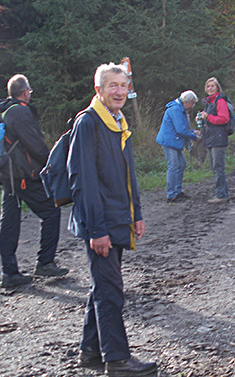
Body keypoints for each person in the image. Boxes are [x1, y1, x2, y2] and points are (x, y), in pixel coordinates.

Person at [67, 63, 158, 376]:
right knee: (110, 291)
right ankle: (117, 360)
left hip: (118, 219)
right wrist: (96, 230)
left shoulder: (118, 121)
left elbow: (127, 174)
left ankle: (90, 351)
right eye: (112, 86)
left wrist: (137, 213)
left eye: (123, 85)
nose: (119, 91)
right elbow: (83, 181)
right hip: (100, 225)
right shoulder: (89, 123)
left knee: (102, 288)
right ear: (99, 91)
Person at [0, 74, 68, 289]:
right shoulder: (20, 111)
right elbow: (34, 145)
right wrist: (51, 164)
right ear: (25, 92)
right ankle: (45, 262)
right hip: (22, 175)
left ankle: (9, 272)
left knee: (9, 222)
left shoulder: (1, 110)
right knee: (51, 211)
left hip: (6, 174)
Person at [156, 90, 200, 203]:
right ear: (187, 102)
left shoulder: (180, 109)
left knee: (181, 164)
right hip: (169, 141)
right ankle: (171, 195)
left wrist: (192, 132)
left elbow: (183, 127)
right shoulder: (175, 110)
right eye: (193, 103)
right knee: (174, 165)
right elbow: (180, 130)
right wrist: (194, 137)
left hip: (174, 141)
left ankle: (177, 191)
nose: (193, 106)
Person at [198, 77, 230, 203]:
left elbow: (224, 119)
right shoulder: (208, 102)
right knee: (214, 167)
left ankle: (221, 195)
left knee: (218, 167)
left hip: (218, 138)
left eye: (212, 86)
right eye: (208, 86)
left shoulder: (220, 100)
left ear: (217, 87)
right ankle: (220, 193)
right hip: (210, 138)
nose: (210, 88)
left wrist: (208, 117)